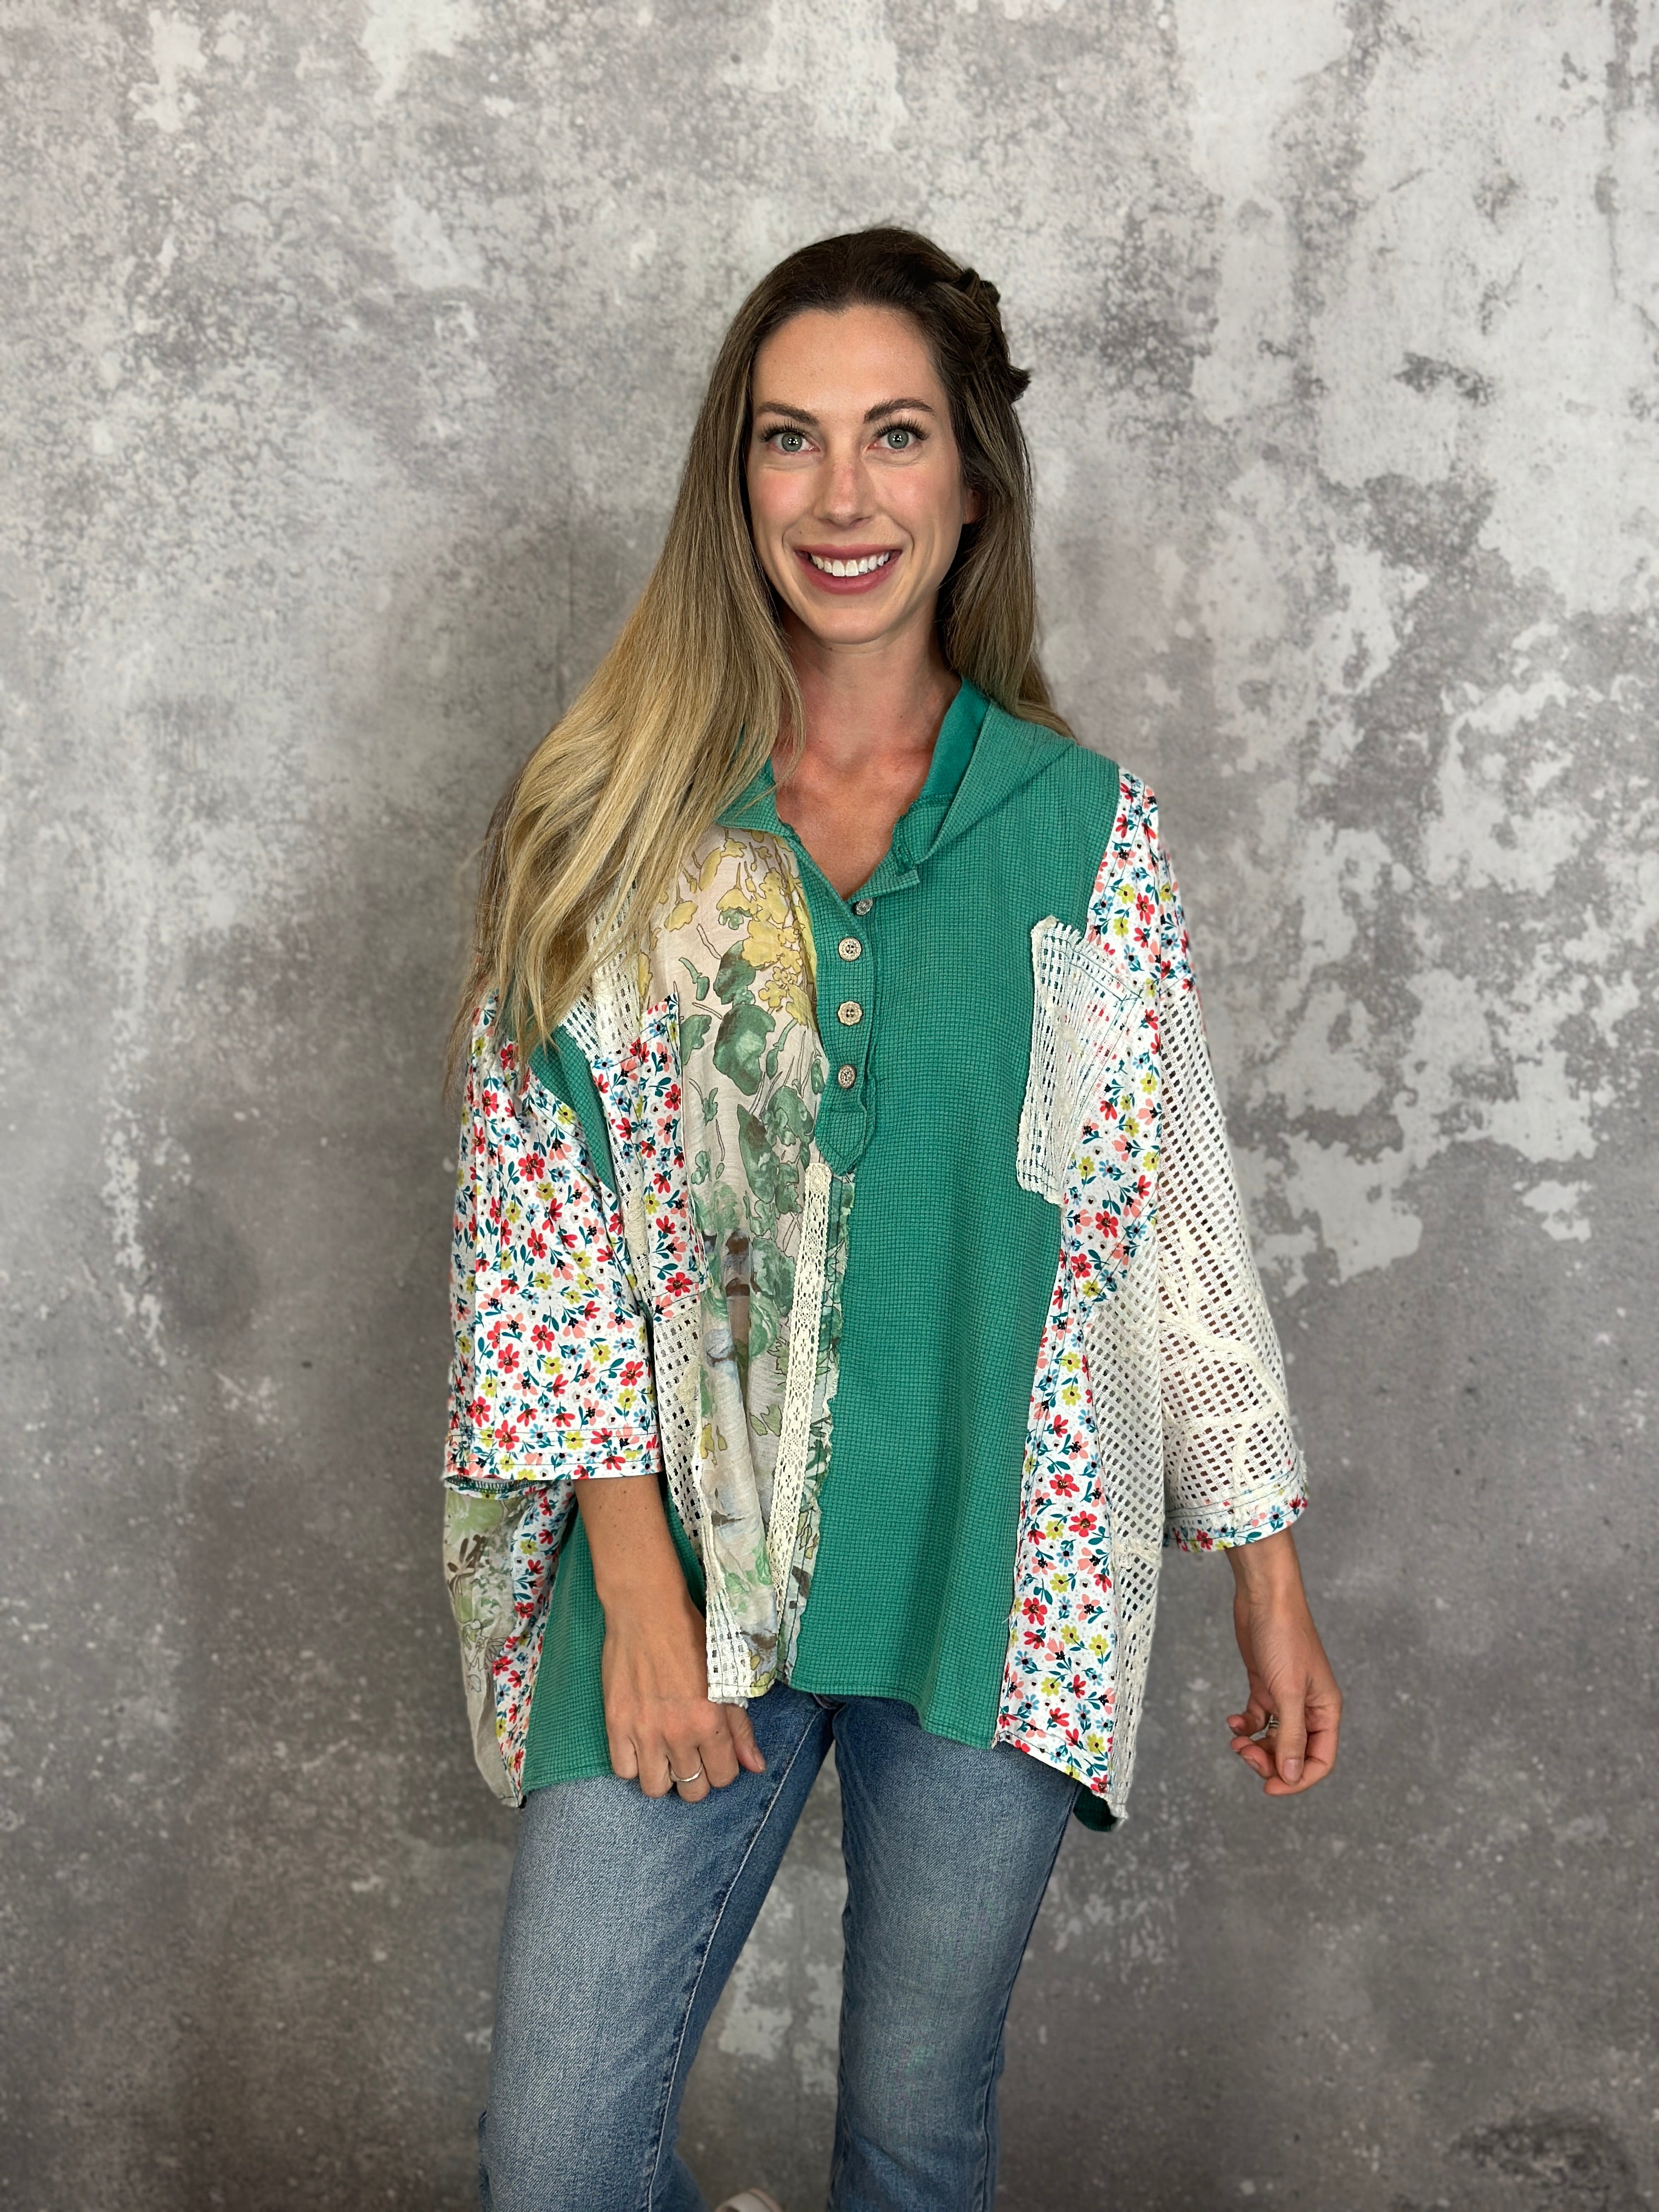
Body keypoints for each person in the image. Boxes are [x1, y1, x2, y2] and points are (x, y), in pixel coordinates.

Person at [442, 226, 1341, 2212]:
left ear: (971, 482)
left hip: (996, 1576)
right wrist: (640, 1592)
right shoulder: (605, 817)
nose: (841, 497)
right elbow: (541, 1233)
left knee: (918, 2144)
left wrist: (1265, 1565)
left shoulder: (1081, 831)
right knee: (557, 2167)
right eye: (791, 440)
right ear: (735, 480)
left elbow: (1165, 1205)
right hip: (686, 1576)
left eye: (895, 436)